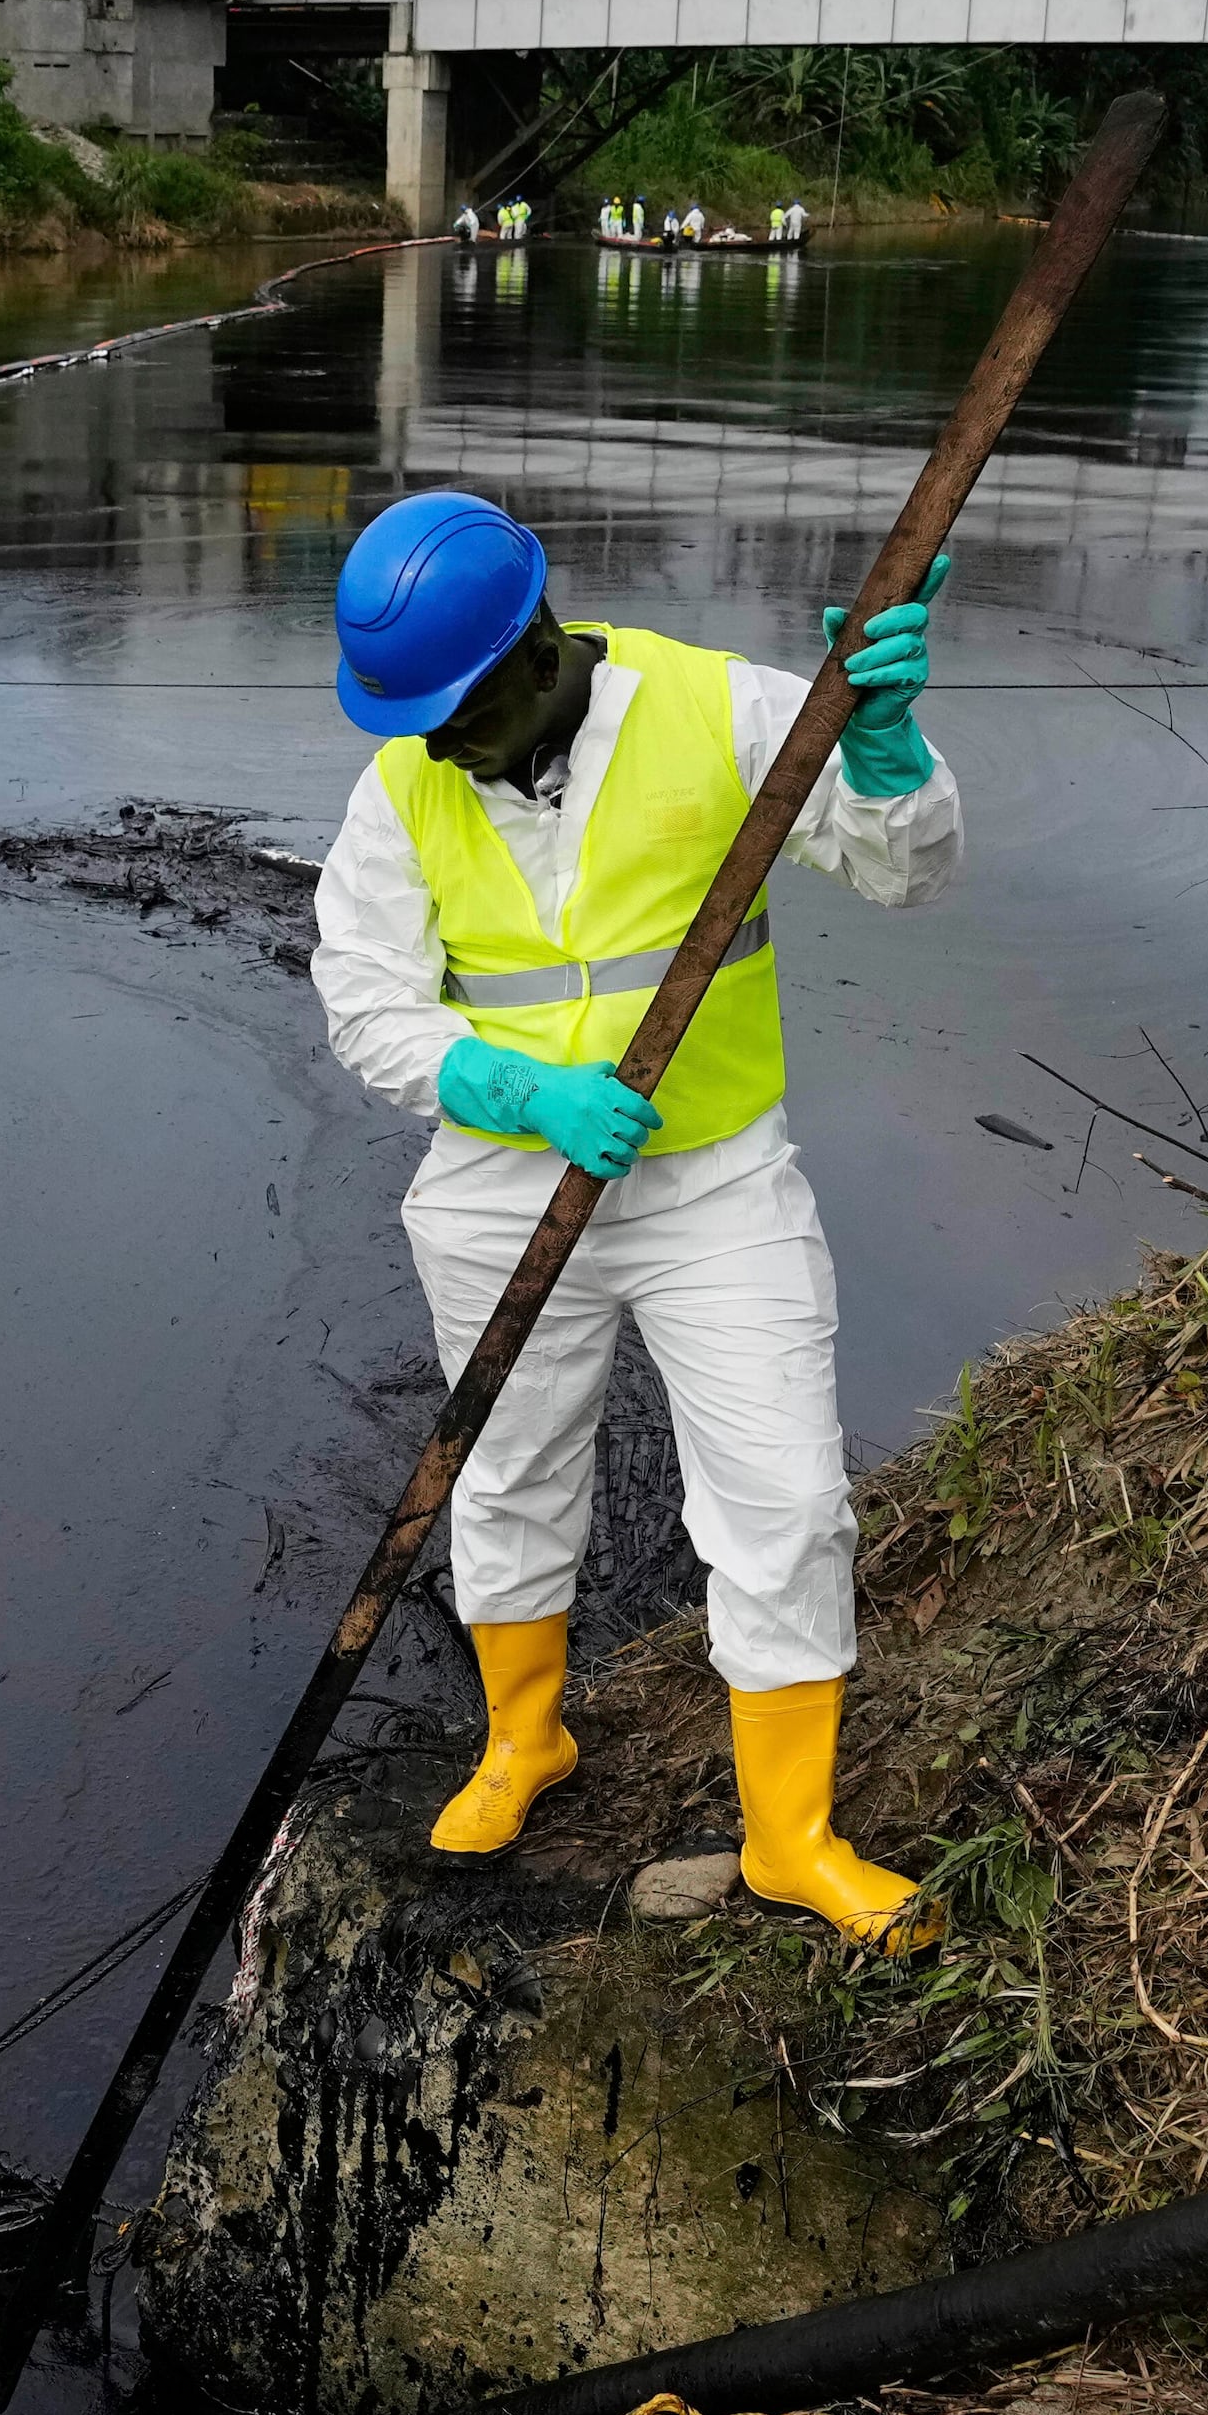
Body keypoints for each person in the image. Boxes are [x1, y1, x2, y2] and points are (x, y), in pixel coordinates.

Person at [311, 490, 963, 1950]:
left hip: (711, 1182)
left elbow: (906, 872)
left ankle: (790, 1837)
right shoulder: (402, 783)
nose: (433, 742)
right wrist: (507, 1087)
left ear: (537, 649)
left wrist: (881, 747)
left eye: (457, 710)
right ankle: (524, 1739)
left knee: (785, 1500)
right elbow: (363, 1001)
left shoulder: (719, 709)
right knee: (509, 1472)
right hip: (501, 1185)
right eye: (409, 715)